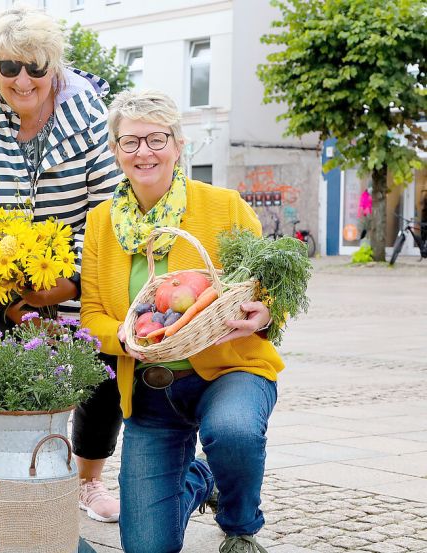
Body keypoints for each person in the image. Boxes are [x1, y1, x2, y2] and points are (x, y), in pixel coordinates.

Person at [79, 89, 282, 553]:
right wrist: (125, 338)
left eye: (156, 138)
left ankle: (239, 525)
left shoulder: (224, 206)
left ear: (178, 144)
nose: (144, 152)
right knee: (146, 547)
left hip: (229, 370)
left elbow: (269, 285)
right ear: (115, 151)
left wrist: (266, 312)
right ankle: (197, 480)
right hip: (150, 392)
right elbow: (91, 316)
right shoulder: (99, 222)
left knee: (232, 431)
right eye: (130, 142)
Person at [0, 4, 123, 524]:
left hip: (77, 270)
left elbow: (108, 212)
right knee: (17, 378)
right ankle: (24, 473)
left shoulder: (90, 118)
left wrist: (69, 284)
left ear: (55, 66)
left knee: (99, 378)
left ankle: (88, 480)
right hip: (7, 280)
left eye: (35, 67)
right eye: (8, 67)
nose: (23, 80)